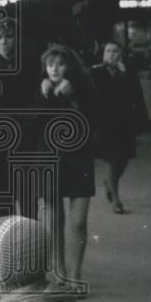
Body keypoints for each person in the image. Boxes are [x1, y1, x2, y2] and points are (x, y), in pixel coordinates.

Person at [35, 44, 96, 289]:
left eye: (60, 63)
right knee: (54, 219)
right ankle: (59, 272)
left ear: (69, 66)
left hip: (79, 159)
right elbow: (34, 125)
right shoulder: (40, 89)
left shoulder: (85, 88)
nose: (55, 69)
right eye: (51, 64)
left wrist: (74, 94)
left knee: (78, 221)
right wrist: (44, 96)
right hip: (51, 160)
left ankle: (76, 273)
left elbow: (95, 118)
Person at [0, 17, 38, 217]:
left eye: (9, 37)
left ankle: (31, 244)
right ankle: (7, 247)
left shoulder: (29, 66)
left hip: (25, 141)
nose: (4, 42)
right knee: (4, 204)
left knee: (29, 203)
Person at [90, 40, 148, 214]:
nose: (111, 54)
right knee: (113, 160)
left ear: (121, 53)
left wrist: (141, 119)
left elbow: (137, 95)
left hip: (125, 122)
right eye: (108, 51)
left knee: (124, 159)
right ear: (103, 54)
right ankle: (116, 199)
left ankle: (109, 182)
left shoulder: (129, 71)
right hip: (106, 123)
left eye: (115, 51)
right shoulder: (96, 71)